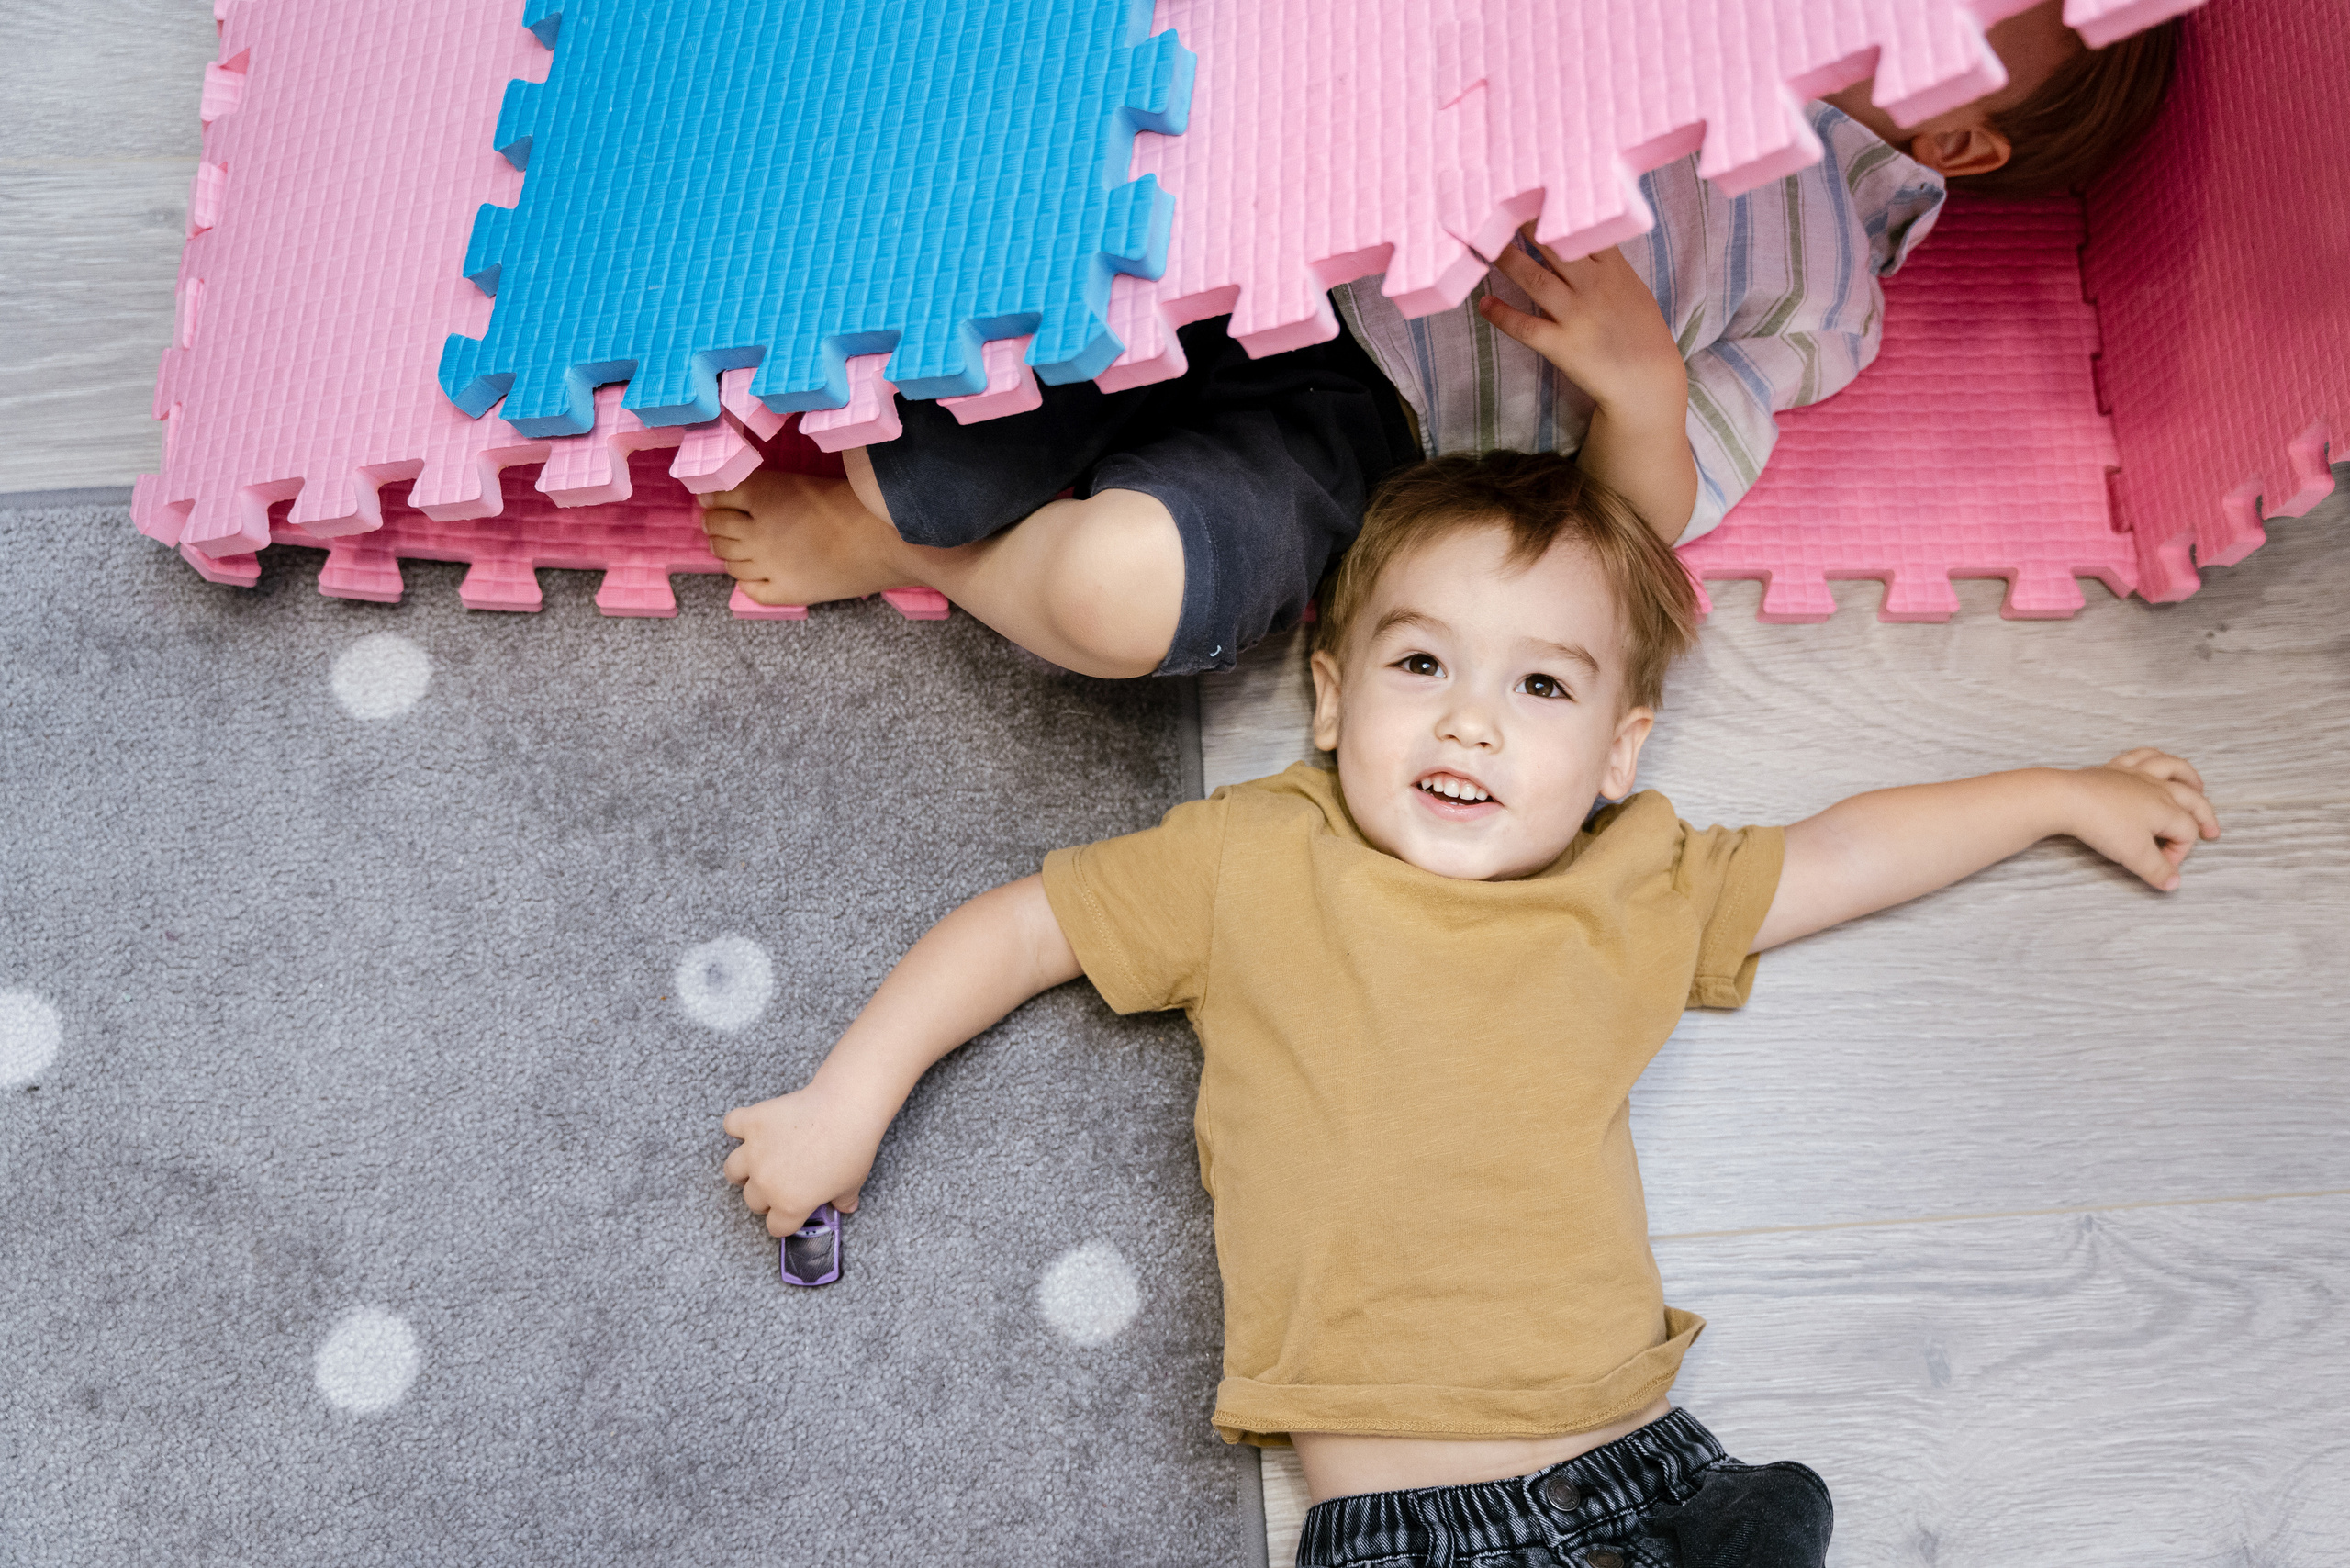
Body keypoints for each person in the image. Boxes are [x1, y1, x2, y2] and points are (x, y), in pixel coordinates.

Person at [719, 448, 2221, 1567]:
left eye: (1542, 691)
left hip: (1660, 1476)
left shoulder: (1641, 876)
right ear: (1329, 700)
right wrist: (850, 1094)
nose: (1471, 720)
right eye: (1422, 663)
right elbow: (1022, 927)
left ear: (1622, 751)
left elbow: (1842, 854)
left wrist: (2055, 795)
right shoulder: (1256, 858)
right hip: (1411, 1525)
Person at [696, 4, 2177, 681]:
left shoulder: (1834, 284)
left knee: (1116, 594)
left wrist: (1640, 380)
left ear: (1963, 136)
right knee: (909, 445)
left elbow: (1644, 520)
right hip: (1265, 215)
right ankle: (908, 516)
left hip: (1375, 423)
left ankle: (918, 560)